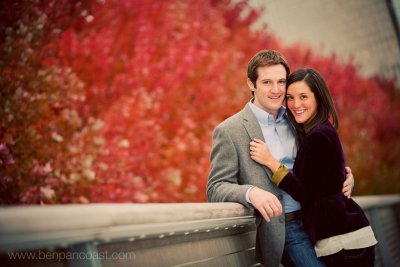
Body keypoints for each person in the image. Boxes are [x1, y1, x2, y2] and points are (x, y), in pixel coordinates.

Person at [207, 50, 354, 267]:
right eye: (267, 82)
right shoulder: (230, 130)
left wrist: (346, 176)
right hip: (285, 229)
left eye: (281, 82)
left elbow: (321, 164)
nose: (276, 90)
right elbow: (215, 187)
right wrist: (251, 193)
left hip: (319, 224)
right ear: (251, 84)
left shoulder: (298, 120)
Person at [249, 67, 377, 267]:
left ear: (318, 98)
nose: (295, 104)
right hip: (342, 235)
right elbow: (323, 175)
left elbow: (304, 191)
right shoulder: (316, 131)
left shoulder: (318, 135)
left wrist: (272, 162)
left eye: (303, 97)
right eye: (290, 98)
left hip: (343, 240)